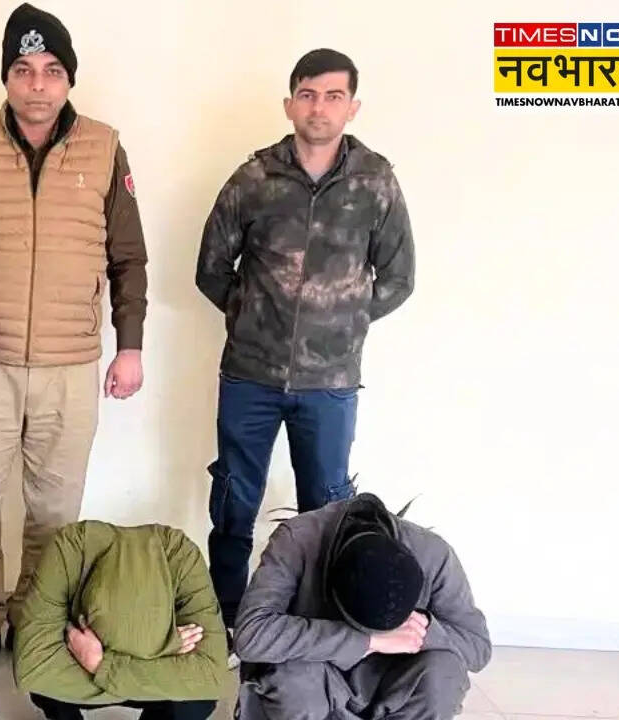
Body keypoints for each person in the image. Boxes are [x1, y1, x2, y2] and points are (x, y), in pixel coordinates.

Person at [0, 2, 149, 666]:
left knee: (55, 508)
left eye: (51, 71)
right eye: (23, 70)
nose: (37, 84)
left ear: (69, 78)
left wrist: (130, 345)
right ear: (6, 77)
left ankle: (39, 617)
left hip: (71, 365)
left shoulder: (105, 147)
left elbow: (129, 257)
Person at [195, 48, 416, 629]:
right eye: (309, 95)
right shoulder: (254, 179)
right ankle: (226, 618)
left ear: (352, 107)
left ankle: (316, 623)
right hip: (250, 375)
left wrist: (341, 325)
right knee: (235, 498)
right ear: (290, 104)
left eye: (333, 96)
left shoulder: (375, 181)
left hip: (330, 383)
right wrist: (251, 317)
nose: (320, 107)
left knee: (327, 507)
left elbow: (399, 277)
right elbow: (211, 267)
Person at [235, 493, 490, 719]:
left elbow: (477, 648)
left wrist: (422, 631)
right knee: (294, 680)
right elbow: (250, 636)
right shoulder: (298, 539)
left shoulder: (434, 554)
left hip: (389, 683)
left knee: (444, 674)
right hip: (319, 675)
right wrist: (366, 641)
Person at [14, 521, 226, 720]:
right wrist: (162, 658)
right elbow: (33, 669)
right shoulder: (67, 548)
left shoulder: (181, 555)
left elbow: (211, 678)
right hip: (137, 670)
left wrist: (100, 665)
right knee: (44, 688)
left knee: (198, 699)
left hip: (84, 666)